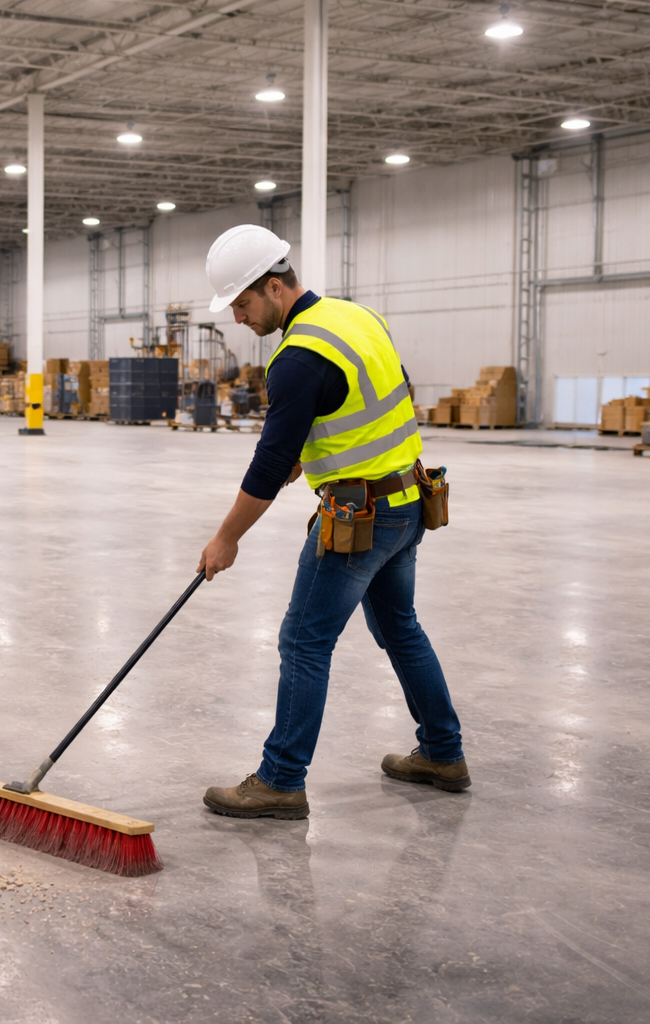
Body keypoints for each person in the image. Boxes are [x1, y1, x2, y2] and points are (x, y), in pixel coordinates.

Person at [196, 224, 469, 820]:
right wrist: (313, 454)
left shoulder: (296, 359)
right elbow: (370, 398)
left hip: (359, 519)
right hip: (407, 503)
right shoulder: (356, 317)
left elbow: (266, 466)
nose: (239, 319)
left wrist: (226, 538)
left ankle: (280, 779)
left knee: (303, 640)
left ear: (273, 287)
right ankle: (443, 753)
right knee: (400, 628)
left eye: (242, 304)